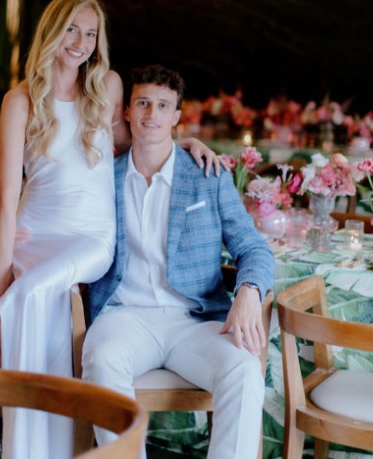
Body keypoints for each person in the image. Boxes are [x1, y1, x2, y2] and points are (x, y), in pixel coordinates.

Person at [0, 0, 226, 458]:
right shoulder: (20, 99)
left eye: (91, 34)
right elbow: (8, 196)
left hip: (91, 236)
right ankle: (30, 445)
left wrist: (185, 139)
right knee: (29, 296)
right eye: (72, 29)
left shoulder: (106, 87)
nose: (81, 43)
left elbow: (142, 138)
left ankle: (38, 443)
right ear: (51, 30)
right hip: (33, 229)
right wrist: (0, 269)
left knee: (27, 294)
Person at [82, 64, 274, 459]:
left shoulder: (209, 175)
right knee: (101, 358)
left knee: (244, 370)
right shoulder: (103, 178)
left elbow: (253, 248)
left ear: (176, 117)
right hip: (125, 316)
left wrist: (250, 290)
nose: (152, 114)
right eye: (143, 103)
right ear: (127, 113)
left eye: (163, 105)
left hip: (196, 322)